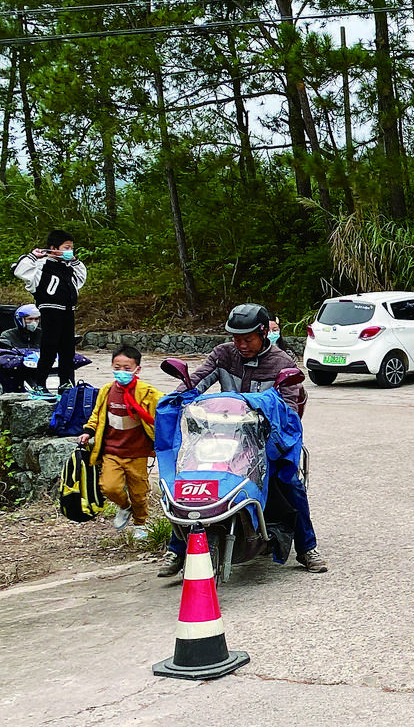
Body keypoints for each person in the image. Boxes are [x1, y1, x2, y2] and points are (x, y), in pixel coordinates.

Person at [157, 303, 326, 576]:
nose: (241, 345)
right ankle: (176, 550)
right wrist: (181, 394)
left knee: (290, 483)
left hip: (264, 441)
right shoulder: (223, 355)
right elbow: (198, 381)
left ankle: (307, 549)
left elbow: (289, 409)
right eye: (236, 339)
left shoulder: (282, 363)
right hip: (221, 437)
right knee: (190, 480)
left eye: (247, 339)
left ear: (263, 333)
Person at [78, 345, 163, 541]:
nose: (121, 372)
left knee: (139, 492)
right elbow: (98, 415)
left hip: (138, 452)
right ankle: (125, 507)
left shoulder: (148, 393)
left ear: (137, 370)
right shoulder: (107, 391)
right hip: (112, 451)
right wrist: (88, 432)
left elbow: (164, 413)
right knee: (109, 487)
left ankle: (140, 523)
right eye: (117, 367)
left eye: (127, 368)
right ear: (111, 366)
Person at [11, 230, 87, 395]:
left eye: (71, 248)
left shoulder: (68, 268)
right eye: (66, 248)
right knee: (49, 348)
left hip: (68, 311)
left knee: (67, 349)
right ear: (54, 248)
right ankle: (40, 383)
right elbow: (20, 270)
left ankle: (65, 383)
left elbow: (81, 277)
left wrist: (73, 260)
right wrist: (34, 256)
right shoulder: (41, 266)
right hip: (50, 311)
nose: (69, 251)